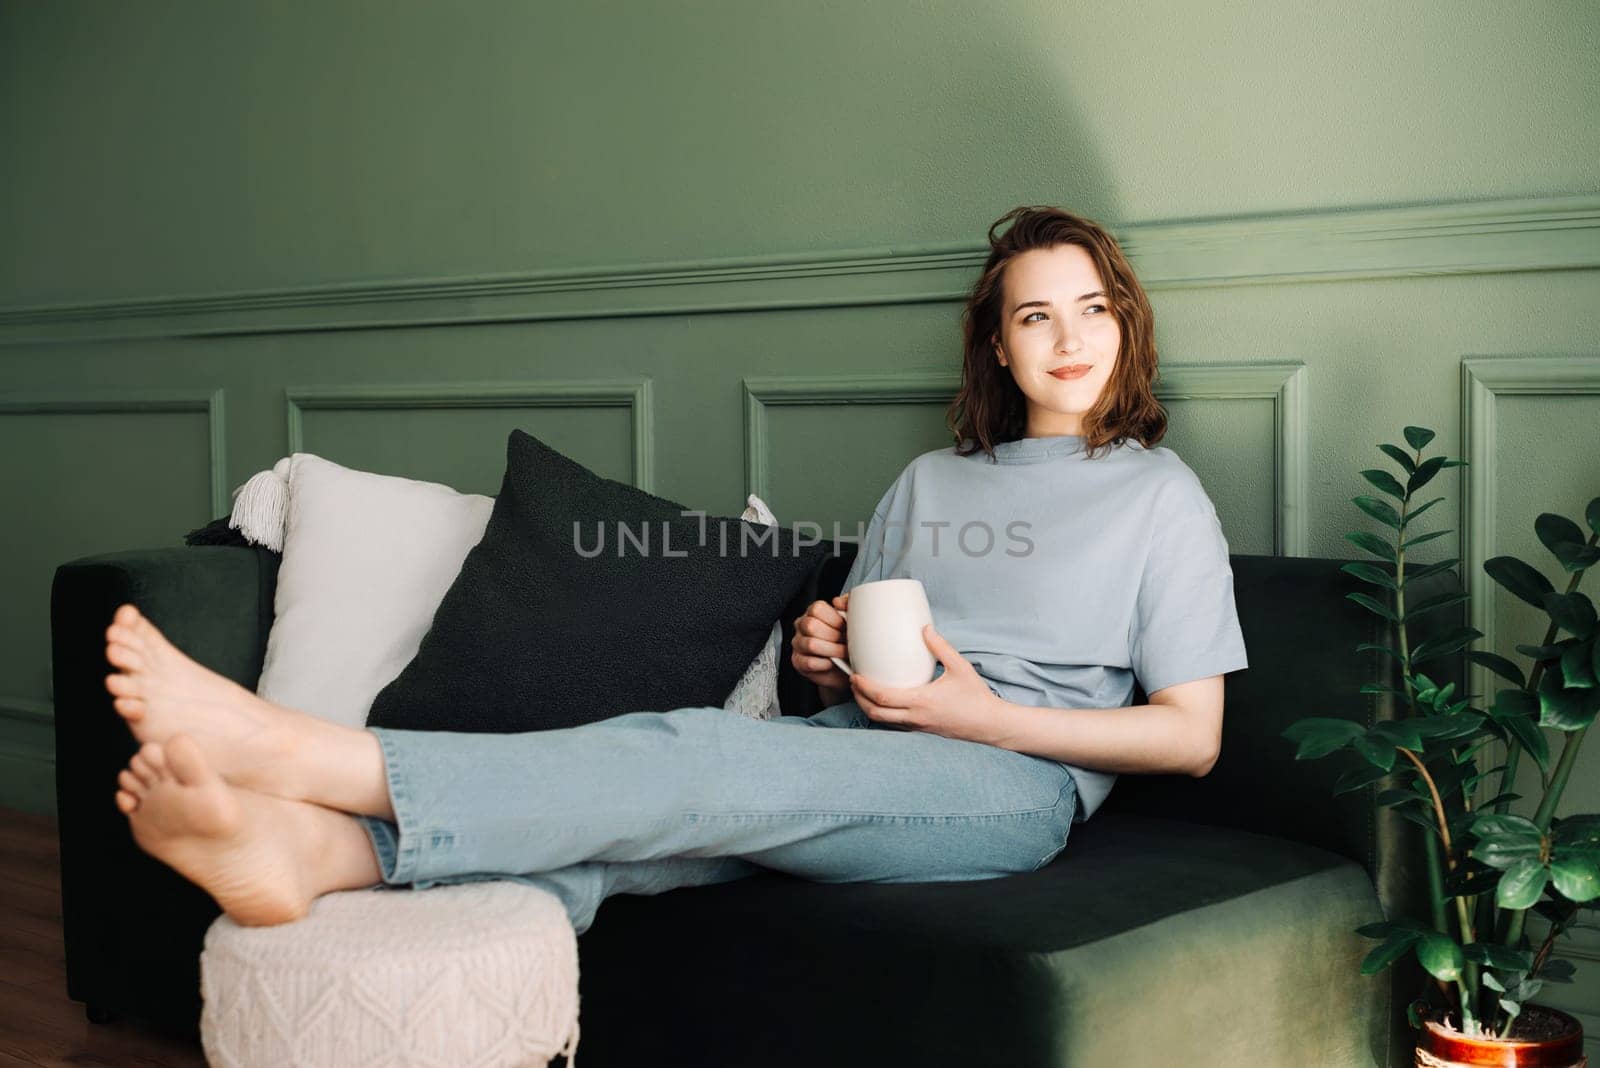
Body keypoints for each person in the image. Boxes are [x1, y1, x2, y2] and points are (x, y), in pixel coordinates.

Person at [103, 205, 1247, 933]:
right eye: (1036, 316)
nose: (1069, 338)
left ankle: (312, 757)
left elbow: (1189, 737)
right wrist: (828, 661)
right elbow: (867, 670)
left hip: (1013, 786)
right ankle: (322, 852)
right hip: (868, 748)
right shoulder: (930, 483)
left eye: (1092, 309)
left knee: (691, 754)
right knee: (659, 837)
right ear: (997, 344)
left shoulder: (1159, 495)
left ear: (1123, 322)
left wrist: (985, 714)